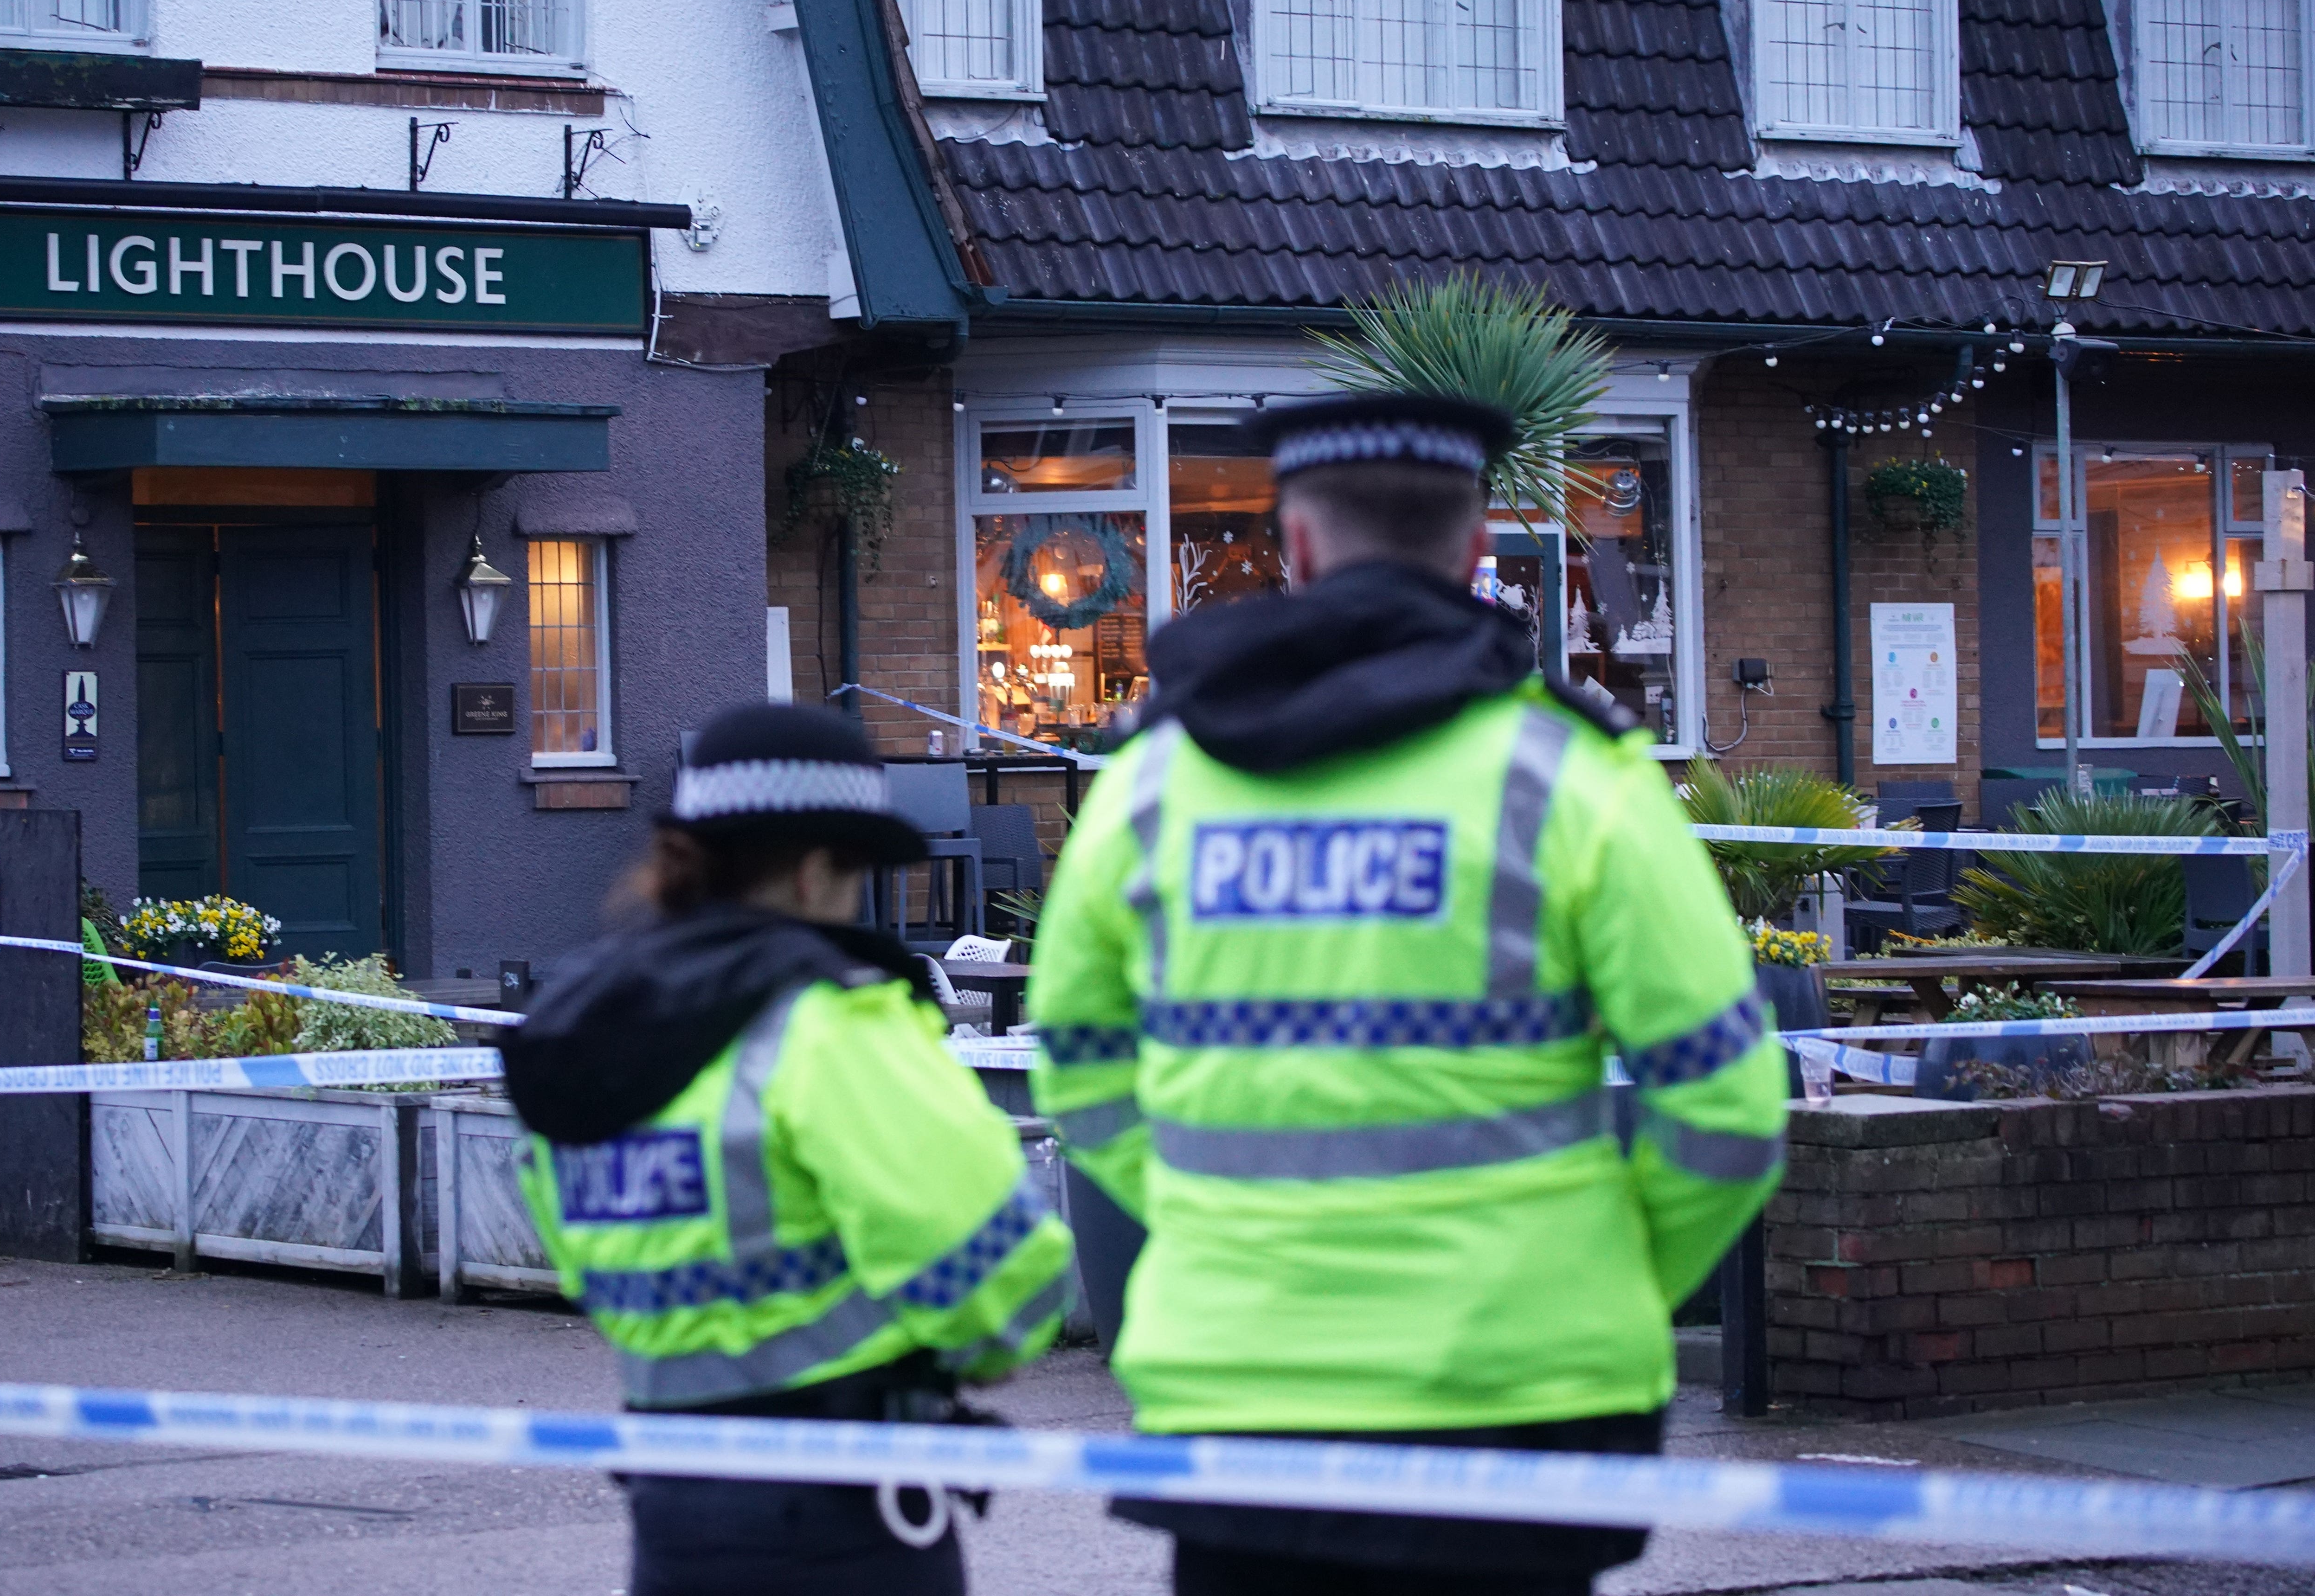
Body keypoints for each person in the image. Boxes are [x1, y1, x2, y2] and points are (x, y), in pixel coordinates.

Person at [1029, 393, 1789, 1596]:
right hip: (1519, 1393)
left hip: (1244, 1389)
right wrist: (1601, 1276)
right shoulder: (1572, 780)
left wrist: (1207, 1224)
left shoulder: (1153, 787)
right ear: (1476, 546)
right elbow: (1729, 1106)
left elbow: (1077, 1068)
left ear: (1300, 548)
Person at [502, 702, 1076, 1596]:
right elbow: (997, 1270)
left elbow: (586, 1263)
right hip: (844, 1517)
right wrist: (959, 1355)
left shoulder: (589, 1026)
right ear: (814, 875)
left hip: (673, 1510)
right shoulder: (830, 1024)